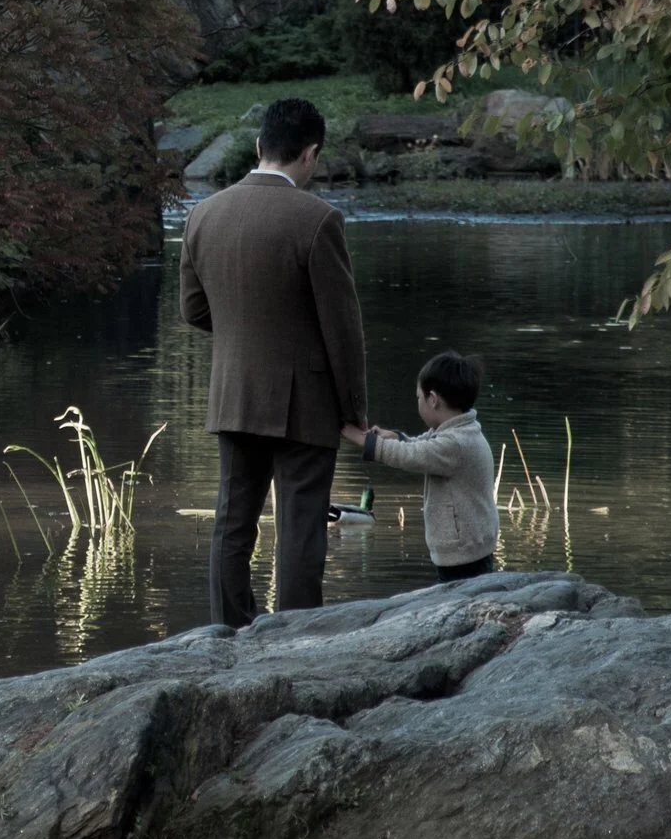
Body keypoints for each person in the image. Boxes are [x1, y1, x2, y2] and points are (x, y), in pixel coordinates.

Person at [180, 98, 368, 627]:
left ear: (259, 145)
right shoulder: (319, 219)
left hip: (234, 391)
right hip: (306, 401)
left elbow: (193, 310)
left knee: (232, 522)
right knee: (301, 525)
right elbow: (342, 330)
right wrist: (354, 410)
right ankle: (294, 636)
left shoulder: (202, 214)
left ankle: (227, 630)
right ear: (310, 154)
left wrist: (246, 337)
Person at [343, 351, 499, 582]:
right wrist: (397, 437)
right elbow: (423, 445)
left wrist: (360, 439)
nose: (418, 402)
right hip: (470, 549)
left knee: (461, 602)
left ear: (433, 399)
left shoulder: (455, 443)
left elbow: (411, 455)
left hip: (463, 555)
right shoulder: (462, 432)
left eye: (418, 398)